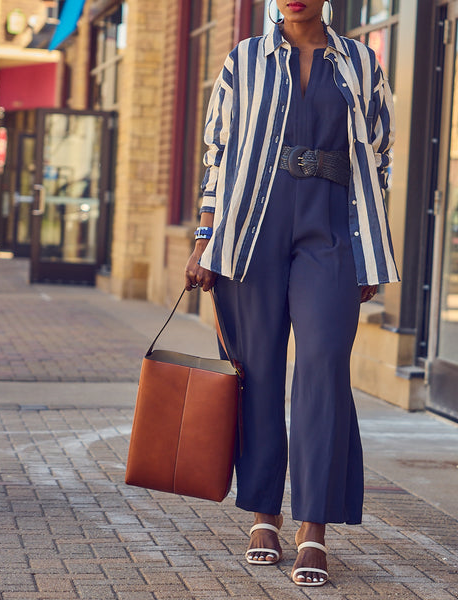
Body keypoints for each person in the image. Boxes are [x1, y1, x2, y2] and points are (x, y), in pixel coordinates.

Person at [184, 0, 398, 588]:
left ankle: (313, 528)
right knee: (257, 370)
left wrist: (369, 241)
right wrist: (205, 237)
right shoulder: (244, 59)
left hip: (330, 227)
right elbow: (217, 153)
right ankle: (262, 516)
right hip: (253, 225)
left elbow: (378, 154)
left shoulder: (360, 62)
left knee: (324, 367)